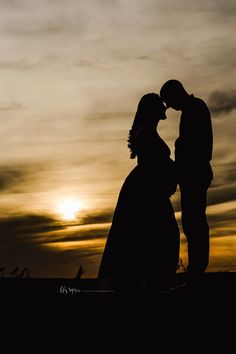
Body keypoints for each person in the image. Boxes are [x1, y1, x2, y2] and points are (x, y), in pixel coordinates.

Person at [98, 93, 180, 294]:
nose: (164, 107)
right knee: (155, 234)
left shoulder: (147, 131)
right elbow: (154, 164)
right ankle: (146, 284)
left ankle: (149, 282)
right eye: (160, 104)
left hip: (147, 188)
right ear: (152, 110)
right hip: (145, 191)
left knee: (154, 235)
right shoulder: (145, 134)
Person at [160, 80, 213, 283]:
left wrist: (181, 148)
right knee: (192, 222)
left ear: (176, 94)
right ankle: (196, 267)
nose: (170, 107)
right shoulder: (192, 109)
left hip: (195, 173)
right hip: (191, 174)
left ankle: (198, 268)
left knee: (195, 222)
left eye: (169, 101)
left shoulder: (196, 108)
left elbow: (200, 147)